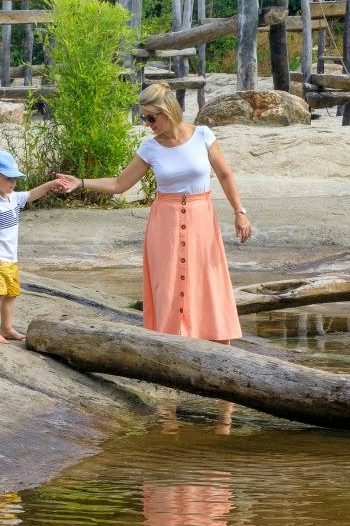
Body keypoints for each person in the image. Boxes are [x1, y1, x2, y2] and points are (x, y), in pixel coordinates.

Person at [61, 83, 251, 342]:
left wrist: (239, 212)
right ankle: (170, 343)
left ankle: (216, 341)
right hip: (165, 223)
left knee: (206, 279)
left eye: (151, 117)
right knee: (168, 284)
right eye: (143, 118)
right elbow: (119, 184)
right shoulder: (150, 148)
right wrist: (81, 182)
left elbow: (225, 175)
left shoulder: (203, 135)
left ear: (168, 111)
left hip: (202, 220)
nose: (148, 124)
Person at [0, 149, 72, 344]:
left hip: (10, 258)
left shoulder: (11, 198)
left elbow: (32, 194)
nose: (13, 183)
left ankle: (6, 327)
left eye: (15, 179)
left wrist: (52, 184)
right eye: (8, 179)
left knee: (11, 294)